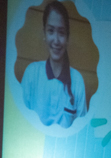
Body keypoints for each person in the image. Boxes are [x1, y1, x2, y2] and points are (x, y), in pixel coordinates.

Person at [21, 0, 87, 128]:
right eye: (51, 31)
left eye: (61, 33)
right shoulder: (31, 74)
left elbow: (82, 130)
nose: (56, 41)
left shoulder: (77, 81)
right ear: (44, 33)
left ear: (67, 37)